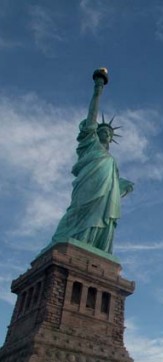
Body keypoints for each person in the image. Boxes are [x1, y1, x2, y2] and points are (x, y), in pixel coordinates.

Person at [48, 68, 134, 255]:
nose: (106, 133)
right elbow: (92, 116)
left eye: (109, 133)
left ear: (111, 139)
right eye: (102, 130)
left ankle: (94, 247)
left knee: (103, 218)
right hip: (88, 185)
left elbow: (114, 185)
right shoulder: (90, 144)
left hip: (105, 195)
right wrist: (98, 89)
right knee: (78, 211)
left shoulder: (111, 160)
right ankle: (72, 242)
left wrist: (122, 185)